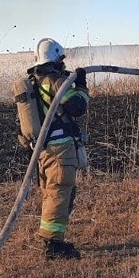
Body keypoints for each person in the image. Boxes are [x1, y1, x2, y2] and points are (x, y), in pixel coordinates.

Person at [24, 38, 90, 259]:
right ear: (55, 58)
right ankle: (53, 245)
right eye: (61, 59)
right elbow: (77, 106)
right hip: (60, 150)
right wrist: (81, 85)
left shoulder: (36, 81)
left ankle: (48, 236)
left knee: (52, 193)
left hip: (45, 150)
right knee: (59, 192)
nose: (63, 63)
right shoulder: (54, 80)